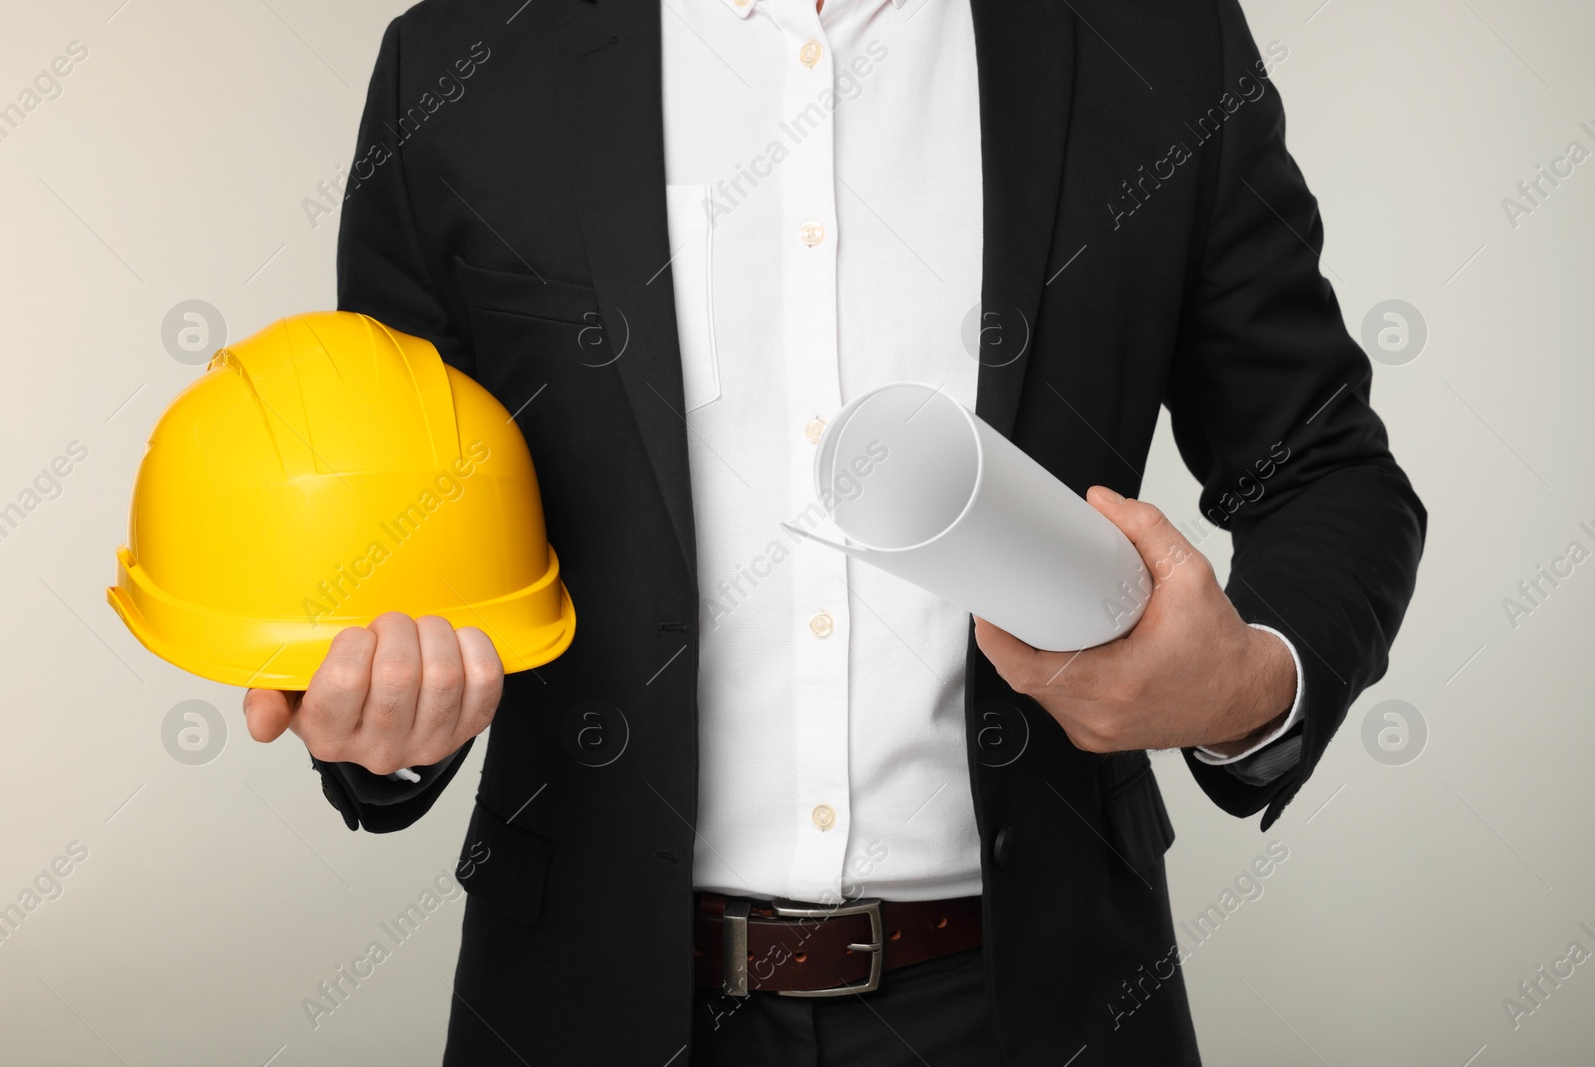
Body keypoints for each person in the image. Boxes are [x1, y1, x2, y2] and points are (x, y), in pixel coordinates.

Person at [243, 0, 1425, 1063]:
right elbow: (394, 531)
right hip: (587, 1000)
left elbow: (1324, 467)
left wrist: (1244, 685)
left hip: (1041, 1001)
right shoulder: (463, 63)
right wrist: (380, 718)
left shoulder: (1157, 42)